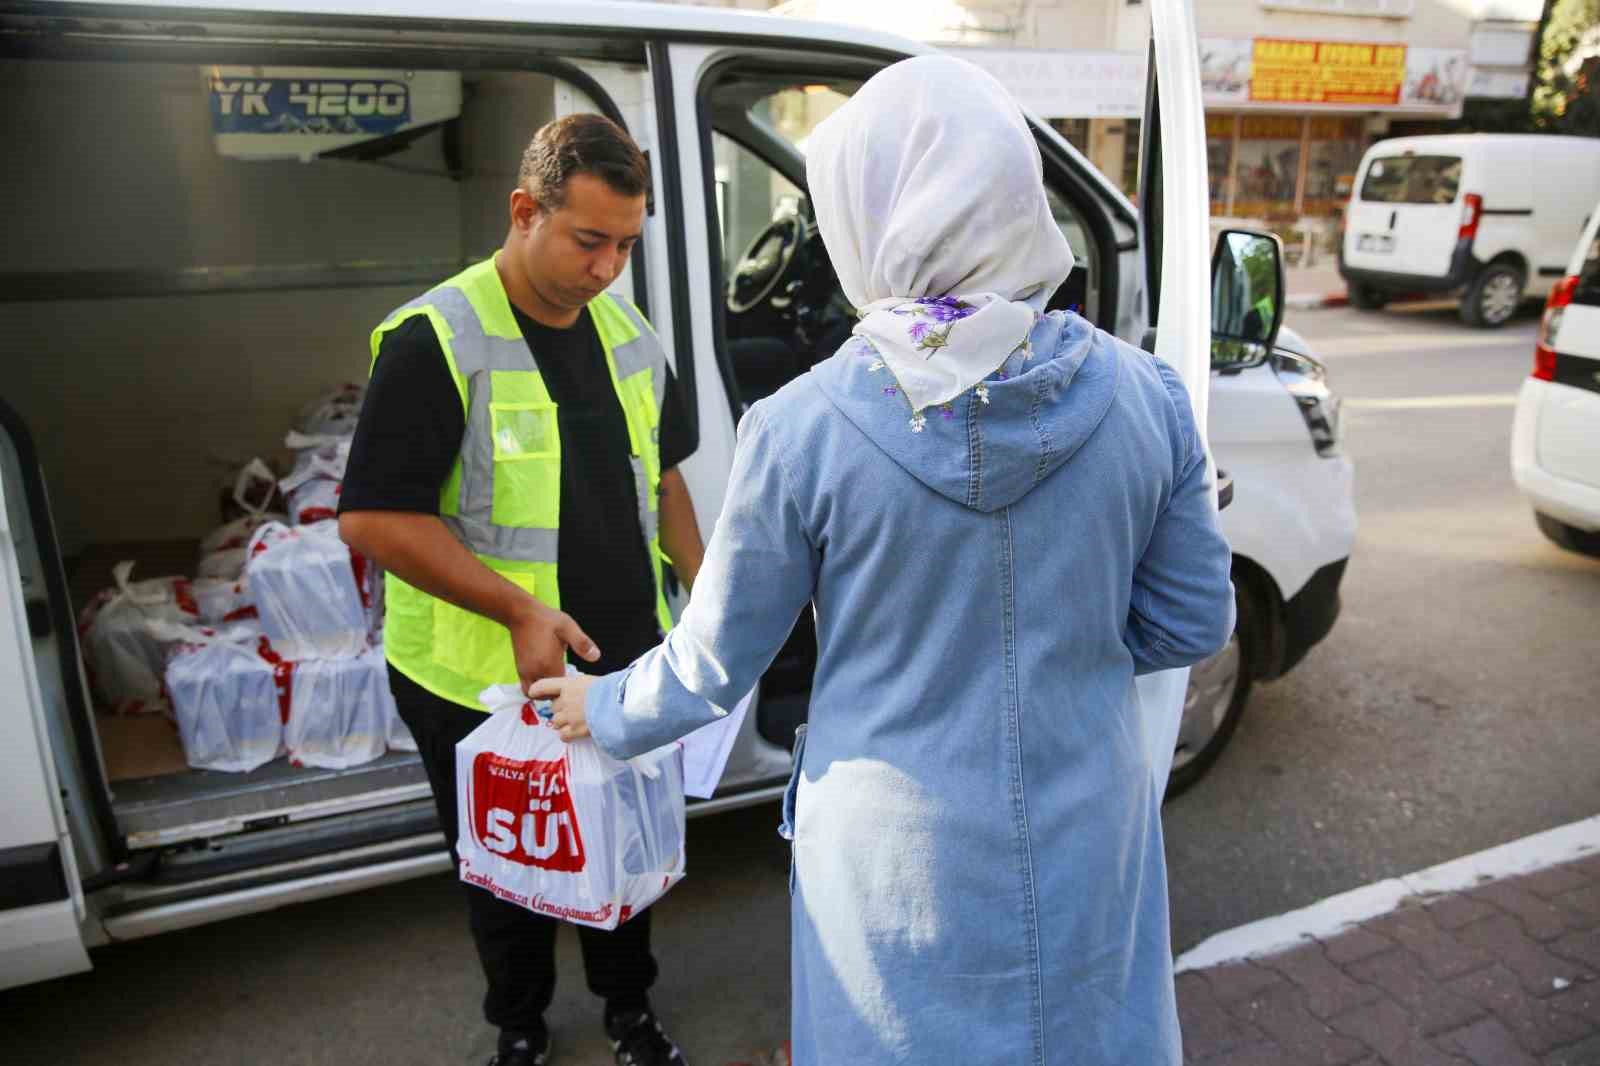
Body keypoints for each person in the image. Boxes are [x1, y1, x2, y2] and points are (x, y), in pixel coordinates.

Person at [531, 57, 1235, 1065]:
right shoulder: (1147, 398)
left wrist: (595, 706)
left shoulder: (799, 427)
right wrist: (1064, 637)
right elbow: (1191, 625)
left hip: (890, 873)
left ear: (860, 212)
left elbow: (712, 665)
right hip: (1086, 843)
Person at [338, 113, 703, 1066]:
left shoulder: (626, 330)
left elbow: (664, 477)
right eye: (589, 240)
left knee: (623, 846)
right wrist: (516, 608)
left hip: (616, 664)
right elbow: (374, 519)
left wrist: (705, 600)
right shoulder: (436, 337)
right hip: (482, 679)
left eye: (626, 243)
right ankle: (521, 1026)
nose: (608, 268)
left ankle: (631, 1011)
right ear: (522, 211)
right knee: (505, 868)